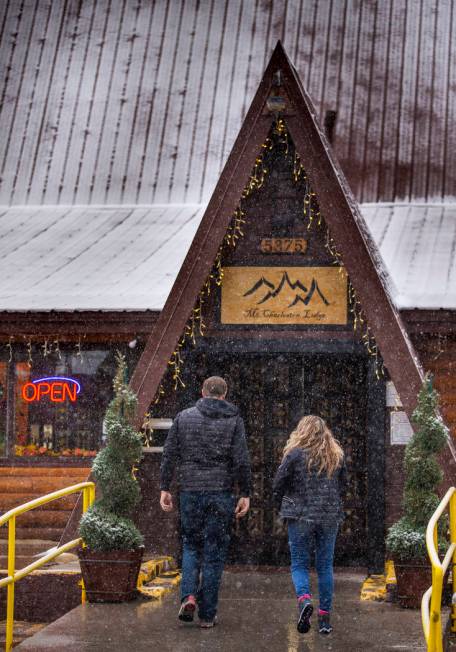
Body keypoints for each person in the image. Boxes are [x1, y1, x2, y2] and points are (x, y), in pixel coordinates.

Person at [160, 376, 251, 628]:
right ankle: (208, 615)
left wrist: (165, 487)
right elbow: (241, 460)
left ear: (202, 392)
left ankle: (188, 595)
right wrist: (245, 492)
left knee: (191, 546)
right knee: (213, 553)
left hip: (190, 490)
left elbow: (169, 454)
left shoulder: (183, 417)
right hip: (221, 492)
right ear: (225, 393)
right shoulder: (234, 420)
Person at [272, 415, 346, 636]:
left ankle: (304, 600)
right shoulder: (336, 456)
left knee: (299, 565)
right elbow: (343, 485)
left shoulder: (294, 455)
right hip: (328, 517)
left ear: (301, 431)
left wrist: (281, 506)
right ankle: (324, 619)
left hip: (301, 516)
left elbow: (278, 483)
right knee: (325, 566)